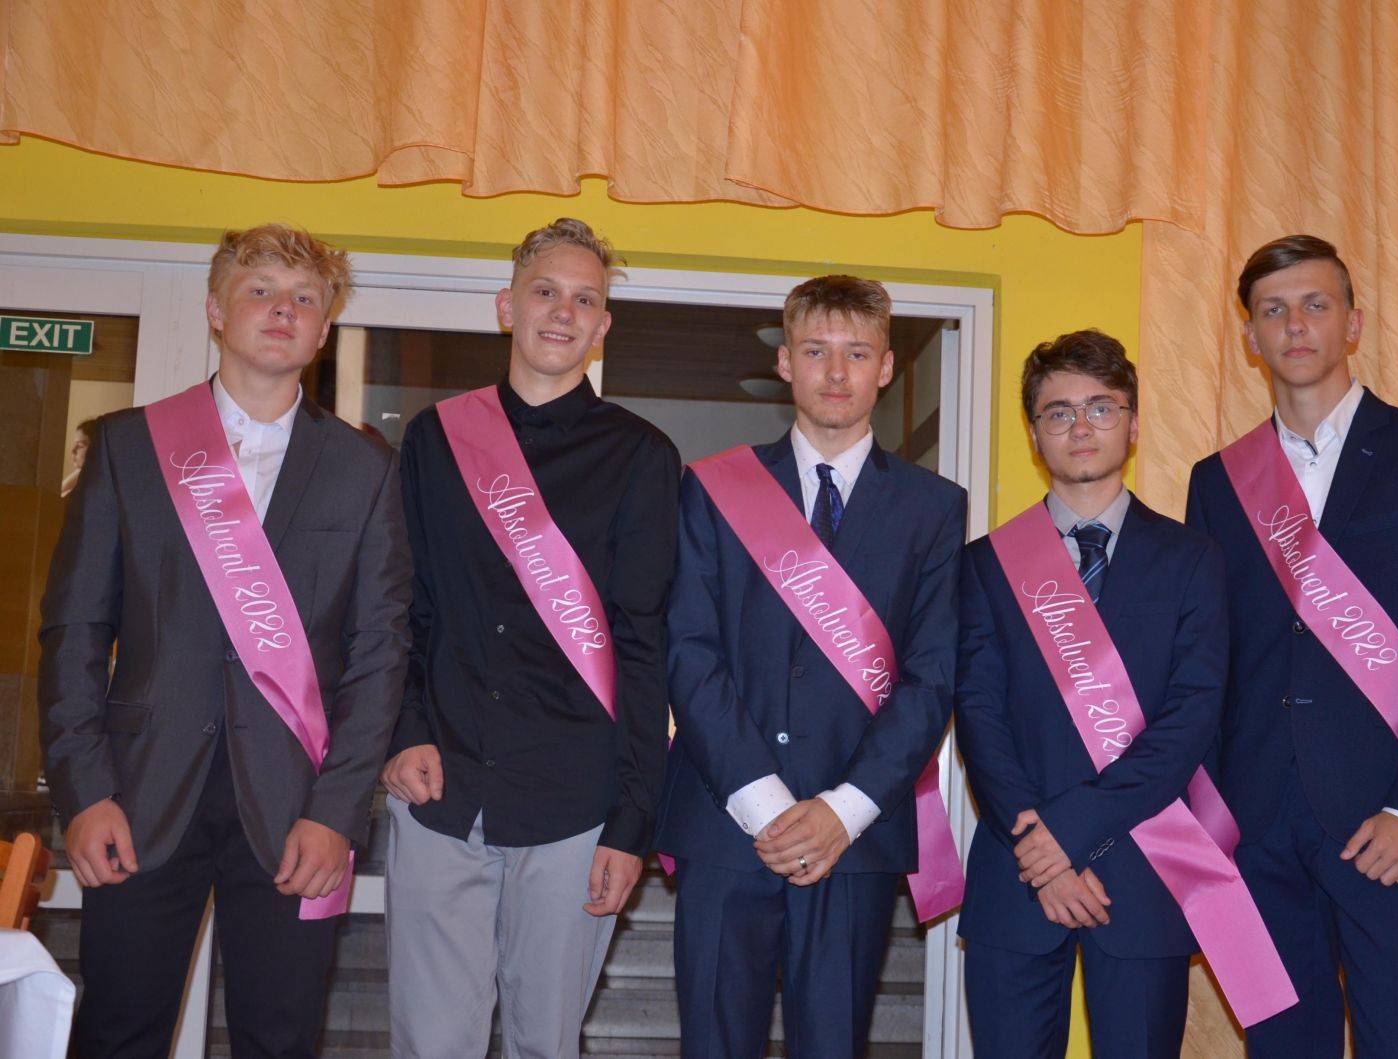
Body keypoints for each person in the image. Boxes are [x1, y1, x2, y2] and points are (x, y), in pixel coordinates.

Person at [40, 223, 410, 1057]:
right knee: (115, 1036)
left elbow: (381, 654)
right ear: (216, 310)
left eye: (304, 298)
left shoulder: (366, 469)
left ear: (324, 327)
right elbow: (73, 631)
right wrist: (84, 790)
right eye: (261, 290)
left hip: (296, 809)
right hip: (135, 797)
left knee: (279, 1039)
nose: (283, 309)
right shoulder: (128, 446)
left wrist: (337, 812)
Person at [1186, 234, 1398, 1057]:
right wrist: (1214, 818)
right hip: (1257, 824)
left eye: (1315, 304)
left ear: (1353, 323)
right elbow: (1210, 661)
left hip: (1386, 817)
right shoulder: (1216, 481)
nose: (1295, 325)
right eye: (1273, 310)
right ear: (1250, 336)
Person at [380, 218, 679, 1058]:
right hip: (440, 784)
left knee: (545, 1043)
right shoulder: (436, 437)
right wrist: (402, 729)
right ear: (506, 306)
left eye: (584, 299)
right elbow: (403, 605)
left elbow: (645, 645)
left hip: (575, 802)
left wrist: (631, 822)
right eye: (546, 291)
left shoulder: (643, 455)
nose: (563, 311)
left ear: (603, 324)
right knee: (430, 1043)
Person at [656, 275, 966, 1057]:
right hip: (726, 823)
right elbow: (689, 651)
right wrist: (764, 804)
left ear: (885, 367)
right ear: (785, 362)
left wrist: (841, 810)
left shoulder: (934, 507)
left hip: (853, 837)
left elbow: (932, 676)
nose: (836, 372)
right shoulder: (713, 488)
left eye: (857, 353)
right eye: (816, 350)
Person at [956, 330, 1234, 1057]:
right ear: (1033, 434)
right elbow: (979, 718)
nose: (1080, 427)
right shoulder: (986, 564)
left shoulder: (1193, 559)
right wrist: (1040, 852)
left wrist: (1068, 837)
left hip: (1144, 873)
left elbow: (1191, 718)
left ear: (1133, 424)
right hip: (1017, 873)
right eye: (1059, 412)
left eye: (1101, 407)